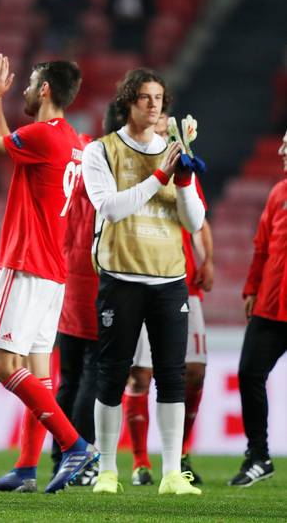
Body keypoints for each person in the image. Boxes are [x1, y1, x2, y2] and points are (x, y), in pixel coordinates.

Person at [0, 44, 95, 494]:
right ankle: (25, 468)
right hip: (53, 272)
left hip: (25, 263)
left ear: (44, 89)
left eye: (26, 83)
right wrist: (0, 99)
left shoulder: (45, 137)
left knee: (3, 367)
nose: (20, 88)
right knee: (39, 374)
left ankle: (75, 444)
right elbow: (8, 146)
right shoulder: (73, 141)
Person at [82, 68, 205, 495]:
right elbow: (110, 209)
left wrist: (185, 183)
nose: (154, 105)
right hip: (121, 278)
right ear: (127, 103)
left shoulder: (176, 151)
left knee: (171, 376)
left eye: (158, 98)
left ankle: (172, 473)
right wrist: (159, 178)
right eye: (145, 98)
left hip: (170, 279)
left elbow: (194, 222)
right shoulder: (101, 151)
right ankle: (108, 471)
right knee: (112, 375)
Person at [124, 111, 214, 487]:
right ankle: (141, 461)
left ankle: (184, 449)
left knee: (194, 370)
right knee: (141, 374)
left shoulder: (183, 166)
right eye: (158, 122)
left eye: (165, 121)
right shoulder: (134, 166)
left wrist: (207, 259)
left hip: (184, 283)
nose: (163, 126)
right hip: (147, 277)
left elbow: (199, 219)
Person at [229, 130, 287, 487]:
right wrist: (251, 288)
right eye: (282, 143)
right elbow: (262, 246)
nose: (281, 150)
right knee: (250, 374)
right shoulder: (278, 193)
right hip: (270, 304)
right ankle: (258, 456)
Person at [49, 132, 99, 486]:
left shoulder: (71, 174)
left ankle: (60, 455)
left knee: (68, 378)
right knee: (92, 375)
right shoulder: (102, 177)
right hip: (96, 284)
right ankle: (80, 456)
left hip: (66, 279)